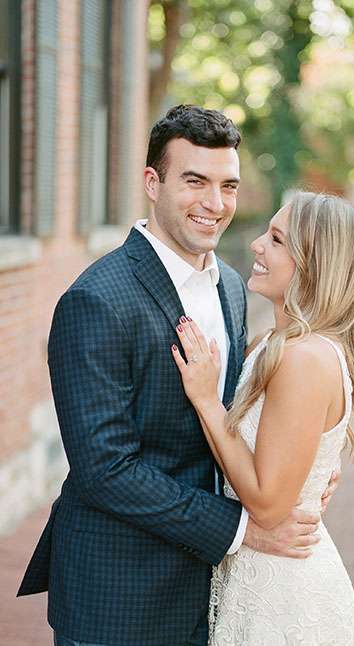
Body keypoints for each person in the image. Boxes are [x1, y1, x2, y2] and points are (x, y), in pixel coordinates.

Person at [18, 105, 336, 646]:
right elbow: (106, 470)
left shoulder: (232, 286)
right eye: (195, 182)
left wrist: (297, 471)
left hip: (214, 589)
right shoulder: (96, 301)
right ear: (152, 182)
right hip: (121, 592)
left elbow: (235, 415)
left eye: (228, 186)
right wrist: (243, 529)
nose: (215, 204)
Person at [173, 191, 354, 645]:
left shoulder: (303, 358)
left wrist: (207, 403)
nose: (257, 245)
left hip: (284, 595)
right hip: (256, 573)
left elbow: (267, 504)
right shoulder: (272, 342)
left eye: (278, 240)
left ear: (314, 263)